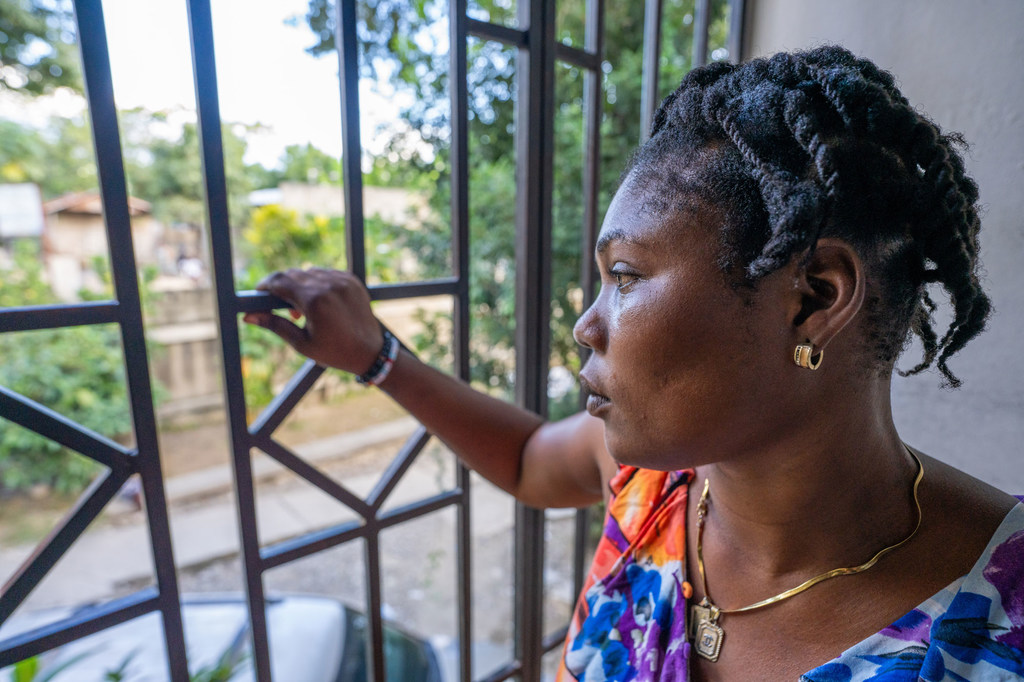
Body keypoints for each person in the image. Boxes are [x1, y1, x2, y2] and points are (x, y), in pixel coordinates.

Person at [244, 45, 1024, 681]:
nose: (587, 325)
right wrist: (376, 356)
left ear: (816, 296)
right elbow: (524, 458)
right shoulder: (655, 486)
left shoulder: (1002, 622)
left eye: (624, 277)